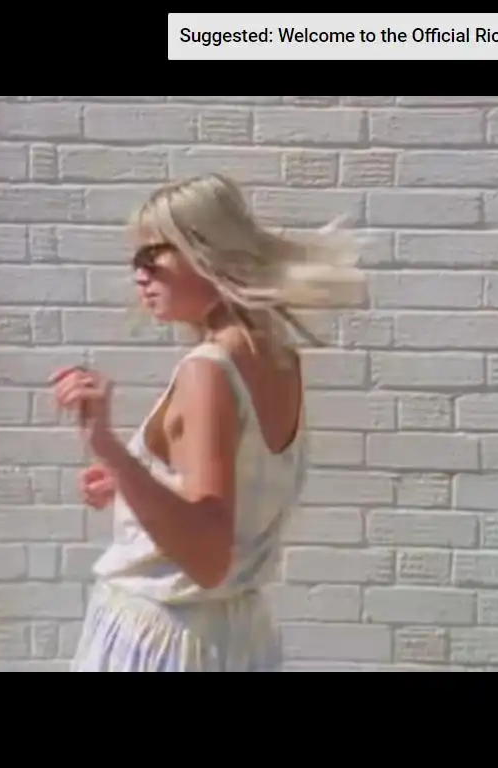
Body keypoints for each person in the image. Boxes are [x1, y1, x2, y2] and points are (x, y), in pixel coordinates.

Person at [52, 173, 367, 672]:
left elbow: (206, 557)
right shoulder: (278, 356)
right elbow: (238, 493)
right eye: (135, 261)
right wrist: (136, 482)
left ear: (205, 251)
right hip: (237, 635)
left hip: (164, 638)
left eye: (152, 255)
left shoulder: (208, 370)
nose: (139, 275)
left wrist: (108, 448)